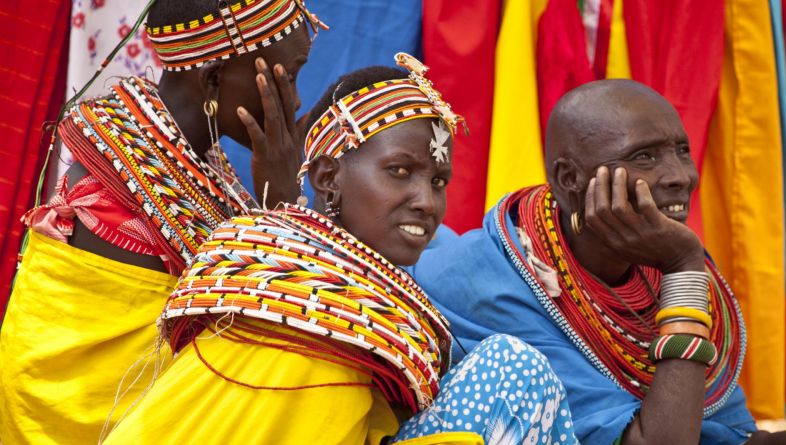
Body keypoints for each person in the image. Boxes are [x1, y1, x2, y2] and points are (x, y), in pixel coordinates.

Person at [409, 79, 786, 444]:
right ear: (570, 180)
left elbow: (730, 442)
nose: (680, 175)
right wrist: (682, 269)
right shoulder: (492, 282)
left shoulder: (653, 271)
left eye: (679, 149)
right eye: (643, 157)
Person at [103, 54, 578, 445]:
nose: (427, 201)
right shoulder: (298, 283)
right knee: (514, 369)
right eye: (399, 171)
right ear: (328, 179)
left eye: (438, 181)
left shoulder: (385, 278)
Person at [0, 0, 323, 443]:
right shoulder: (117, 203)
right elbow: (249, 336)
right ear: (212, 79)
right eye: (292, 75)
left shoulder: (194, 166)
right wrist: (281, 200)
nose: (298, 99)